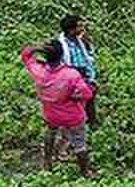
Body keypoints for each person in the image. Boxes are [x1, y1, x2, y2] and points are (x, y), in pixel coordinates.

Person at [22, 41, 94, 177]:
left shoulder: (38, 71)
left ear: (45, 56)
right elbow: (87, 94)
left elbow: (25, 55)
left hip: (50, 114)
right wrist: (73, 96)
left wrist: (37, 47)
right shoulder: (71, 74)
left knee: (50, 133)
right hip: (72, 116)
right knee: (79, 142)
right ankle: (85, 172)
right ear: (62, 55)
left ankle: (47, 162)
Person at [58, 15, 99, 127]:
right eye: (79, 26)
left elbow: (89, 57)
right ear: (71, 30)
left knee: (90, 100)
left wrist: (91, 76)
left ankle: (92, 123)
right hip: (71, 78)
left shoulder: (83, 40)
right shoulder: (60, 45)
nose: (82, 28)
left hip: (85, 75)